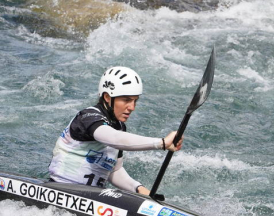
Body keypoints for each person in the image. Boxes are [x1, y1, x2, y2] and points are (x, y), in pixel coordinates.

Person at [48, 66, 183, 197]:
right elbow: (115, 138)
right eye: (126, 100)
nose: (132, 107)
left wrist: (138, 188)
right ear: (107, 97)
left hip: (92, 196)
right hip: (62, 190)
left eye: (135, 101)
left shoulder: (119, 126)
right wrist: (161, 143)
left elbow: (114, 170)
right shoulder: (88, 117)